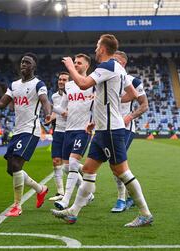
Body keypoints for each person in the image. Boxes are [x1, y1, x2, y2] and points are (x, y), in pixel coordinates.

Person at [52, 34, 153, 227]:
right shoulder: (119, 69)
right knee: (88, 170)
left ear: (104, 48)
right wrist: (102, 115)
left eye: (97, 45)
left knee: (122, 171)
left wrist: (70, 67)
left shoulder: (106, 67)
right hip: (102, 128)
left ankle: (145, 213)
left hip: (110, 129)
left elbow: (82, 84)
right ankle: (73, 212)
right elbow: (131, 94)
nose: (96, 48)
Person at [0, 53, 52, 217]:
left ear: (33, 67)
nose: (23, 64)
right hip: (18, 130)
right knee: (11, 169)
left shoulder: (38, 84)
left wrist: (48, 114)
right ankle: (40, 189)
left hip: (31, 130)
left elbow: (44, 100)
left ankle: (16, 206)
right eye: (22, 62)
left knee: (16, 165)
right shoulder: (14, 85)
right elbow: (1, 103)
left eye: (27, 63)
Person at [51, 54, 96, 210]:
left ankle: (66, 200)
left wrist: (94, 121)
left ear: (87, 66)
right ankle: (87, 193)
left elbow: (99, 105)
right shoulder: (69, 86)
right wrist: (57, 110)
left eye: (79, 63)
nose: (76, 65)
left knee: (73, 164)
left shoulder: (93, 83)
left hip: (83, 130)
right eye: (74, 62)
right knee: (66, 167)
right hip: (68, 130)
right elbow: (61, 107)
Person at [110, 50, 149, 213]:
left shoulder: (133, 81)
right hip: (108, 126)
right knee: (114, 165)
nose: (112, 63)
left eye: (116, 60)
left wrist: (129, 117)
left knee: (116, 164)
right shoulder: (107, 78)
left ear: (123, 63)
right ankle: (132, 194)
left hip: (125, 128)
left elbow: (144, 105)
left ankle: (121, 199)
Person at [48, 72, 68, 201]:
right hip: (58, 131)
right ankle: (60, 192)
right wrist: (50, 118)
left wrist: (54, 109)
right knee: (56, 162)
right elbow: (58, 113)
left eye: (64, 80)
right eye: (60, 79)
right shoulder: (54, 96)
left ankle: (87, 179)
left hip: (71, 131)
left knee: (69, 165)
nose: (61, 82)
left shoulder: (73, 95)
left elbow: (66, 113)